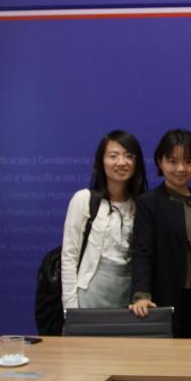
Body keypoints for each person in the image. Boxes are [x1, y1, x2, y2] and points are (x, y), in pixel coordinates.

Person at [130, 129, 191, 337]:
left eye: (188, 161)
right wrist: (141, 294)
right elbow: (142, 251)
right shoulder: (149, 203)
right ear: (160, 161)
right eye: (172, 161)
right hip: (169, 295)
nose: (180, 168)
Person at [61, 130, 148, 309]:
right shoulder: (84, 199)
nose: (121, 162)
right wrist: (70, 309)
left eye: (129, 156)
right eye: (113, 156)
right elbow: (69, 256)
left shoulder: (142, 206)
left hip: (128, 298)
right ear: (102, 161)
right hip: (89, 295)